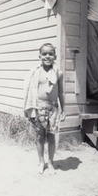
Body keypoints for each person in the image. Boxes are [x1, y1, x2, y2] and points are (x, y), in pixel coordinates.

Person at [24, 43, 65, 175]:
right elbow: (30, 92)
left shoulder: (58, 73)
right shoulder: (36, 73)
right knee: (40, 136)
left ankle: (51, 162)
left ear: (55, 56)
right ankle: (41, 162)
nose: (47, 56)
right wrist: (32, 110)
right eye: (44, 54)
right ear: (39, 56)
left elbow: (61, 93)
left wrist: (63, 110)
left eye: (50, 54)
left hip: (53, 108)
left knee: (52, 137)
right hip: (39, 108)